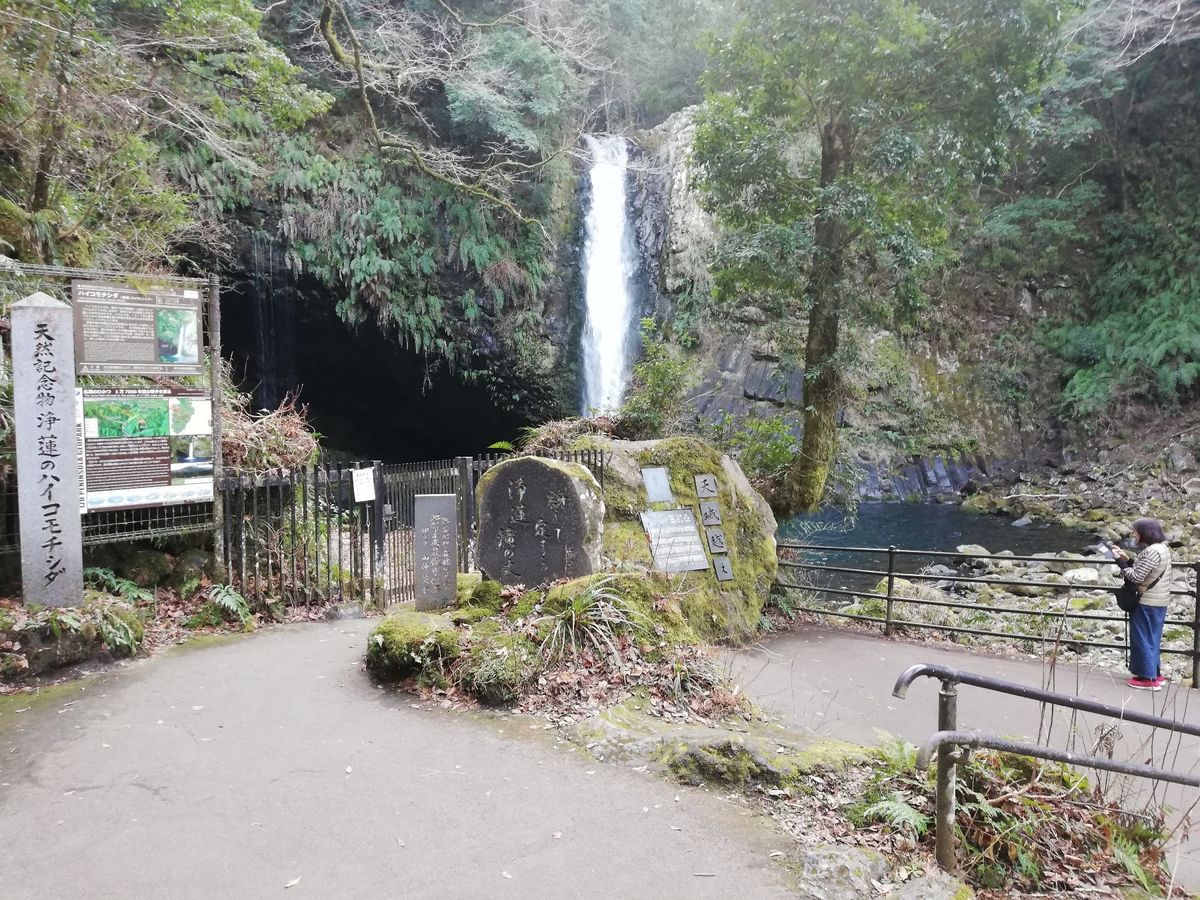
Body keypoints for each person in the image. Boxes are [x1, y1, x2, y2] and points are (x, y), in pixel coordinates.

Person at [1112, 518, 1172, 691]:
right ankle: (1155, 674)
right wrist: (1128, 559)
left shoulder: (1151, 552)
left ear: (1144, 533)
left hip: (1147, 601)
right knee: (1152, 637)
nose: (1133, 534)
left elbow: (1137, 577)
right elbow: (1147, 571)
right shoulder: (1162, 549)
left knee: (1142, 638)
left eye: (1135, 532)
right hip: (1159, 600)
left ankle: (1148, 679)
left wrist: (1120, 562)